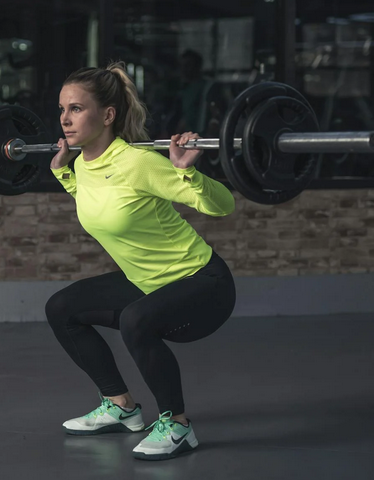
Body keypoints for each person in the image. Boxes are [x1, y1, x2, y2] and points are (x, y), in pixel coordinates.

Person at [45, 62, 237, 461]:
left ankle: (178, 426)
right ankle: (121, 406)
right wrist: (64, 175)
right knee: (61, 308)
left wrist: (188, 173)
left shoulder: (138, 163)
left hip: (202, 283)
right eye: (62, 109)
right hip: (147, 281)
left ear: (108, 115)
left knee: (136, 318)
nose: (65, 119)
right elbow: (99, 205)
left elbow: (223, 206)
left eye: (76, 109)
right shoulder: (82, 164)